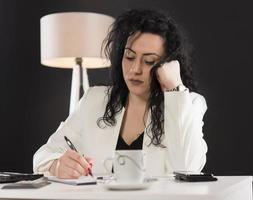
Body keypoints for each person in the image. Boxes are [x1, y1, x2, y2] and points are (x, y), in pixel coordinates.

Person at [33, 9, 208, 179]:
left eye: (149, 61)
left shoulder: (189, 103)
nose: (135, 69)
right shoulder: (94, 100)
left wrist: (175, 88)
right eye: (129, 57)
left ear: (167, 64)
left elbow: (187, 170)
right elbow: (42, 157)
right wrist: (56, 165)